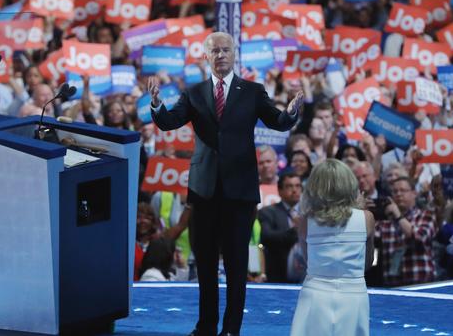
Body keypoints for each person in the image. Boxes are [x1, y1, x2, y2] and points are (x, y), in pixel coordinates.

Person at [148, 31, 303, 336]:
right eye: (215, 51)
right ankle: (206, 326)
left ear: (235, 55)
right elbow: (169, 121)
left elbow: (277, 121)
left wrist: (293, 110)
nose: (220, 55)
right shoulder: (194, 92)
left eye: (226, 50)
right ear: (206, 57)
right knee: (204, 263)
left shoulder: (253, 91)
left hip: (240, 192)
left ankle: (231, 329)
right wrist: (156, 104)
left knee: (236, 265)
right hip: (204, 190)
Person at [290, 159, 374, 336]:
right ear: (349, 183)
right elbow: (367, 263)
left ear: (315, 186)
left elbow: (308, 262)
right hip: (354, 295)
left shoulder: (305, 221)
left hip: (315, 295)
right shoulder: (367, 218)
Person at [259, 172, 302, 283]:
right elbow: (266, 236)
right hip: (278, 276)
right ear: (279, 191)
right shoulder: (268, 212)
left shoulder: (310, 214)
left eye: (298, 186)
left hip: (306, 276)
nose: (294, 190)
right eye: (289, 186)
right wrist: (297, 230)